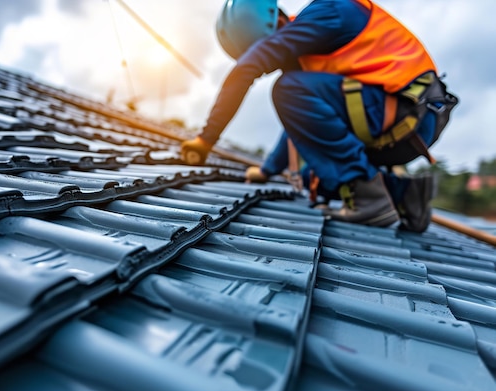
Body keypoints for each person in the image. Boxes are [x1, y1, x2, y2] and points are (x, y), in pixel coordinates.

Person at [180, 0, 458, 232]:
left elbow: (248, 70)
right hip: (403, 120)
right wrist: (267, 171)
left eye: (268, 49)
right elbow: (304, 126)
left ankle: (369, 199)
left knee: (288, 91)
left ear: (274, 25)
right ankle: (406, 196)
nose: (271, 63)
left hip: (411, 113)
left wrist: (206, 139)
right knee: (314, 173)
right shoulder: (307, 59)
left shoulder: (327, 12)